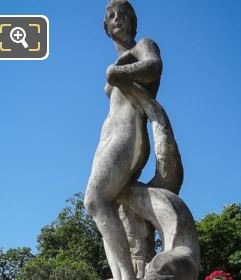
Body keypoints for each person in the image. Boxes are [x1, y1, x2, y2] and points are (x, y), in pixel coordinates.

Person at [84, 1, 163, 279]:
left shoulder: (143, 45)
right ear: (106, 27)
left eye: (123, 15)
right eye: (112, 16)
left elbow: (154, 66)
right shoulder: (118, 61)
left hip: (129, 133)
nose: (118, 19)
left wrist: (116, 72)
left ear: (133, 21)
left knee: (94, 200)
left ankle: (129, 276)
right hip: (107, 136)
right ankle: (119, 276)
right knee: (106, 206)